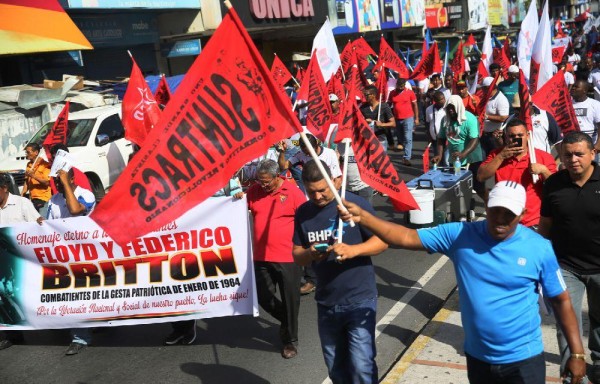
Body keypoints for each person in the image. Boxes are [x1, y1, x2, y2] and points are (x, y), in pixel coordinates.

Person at [339, 181, 587, 384]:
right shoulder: (459, 235)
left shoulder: (539, 248)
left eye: (509, 214)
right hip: (478, 359)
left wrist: (576, 353)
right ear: (487, 206)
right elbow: (405, 236)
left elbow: (561, 300)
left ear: (522, 214)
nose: (500, 219)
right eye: (495, 210)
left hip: (524, 361)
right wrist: (365, 218)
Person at [292, 160, 387, 383]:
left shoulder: (354, 204)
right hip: (326, 303)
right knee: (336, 368)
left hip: (359, 299)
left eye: (322, 190)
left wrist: (354, 250)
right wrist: (311, 254)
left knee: (362, 366)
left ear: (335, 181)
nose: (317, 197)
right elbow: (297, 254)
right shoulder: (303, 212)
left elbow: (382, 241)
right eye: (311, 192)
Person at [538, 131, 600, 383]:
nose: (573, 159)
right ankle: (572, 375)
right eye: (567, 155)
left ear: (593, 154)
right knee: (567, 324)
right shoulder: (553, 184)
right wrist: (541, 261)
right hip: (565, 267)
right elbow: (545, 225)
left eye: (579, 154)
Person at [247, 160, 306, 359]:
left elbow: (306, 219)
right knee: (264, 297)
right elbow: (237, 210)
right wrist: (237, 197)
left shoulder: (293, 192)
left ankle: (290, 340)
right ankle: (287, 321)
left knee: (290, 299)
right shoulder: (254, 191)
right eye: (259, 181)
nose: (262, 186)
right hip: (261, 256)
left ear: (277, 177)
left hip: (288, 257)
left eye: (266, 182)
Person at [46, 168, 96, 355]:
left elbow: (75, 211)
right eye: (56, 181)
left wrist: (66, 182)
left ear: (72, 178)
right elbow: (48, 225)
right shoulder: (54, 200)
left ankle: (86, 333)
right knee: (72, 296)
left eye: (61, 180)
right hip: (63, 256)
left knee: (86, 294)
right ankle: (80, 334)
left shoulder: (86, 195)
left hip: (86, 254)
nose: (57, 184)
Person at [477, 119, 556, 228]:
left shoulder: (542, 157)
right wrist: (501, 156)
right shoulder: (497, 155)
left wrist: (544, 170)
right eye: (512, 136)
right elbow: (481, 176)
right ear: (505, 137)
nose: (516, 139)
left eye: (520, 135)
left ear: (528, 136)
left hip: (532, 222)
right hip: (504, 221)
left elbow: (556, 186)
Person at [0, 173, 42, 350]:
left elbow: (38, 226)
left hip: (26, 260)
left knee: (37, 293)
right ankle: (12, 333)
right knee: (3, 295)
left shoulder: (22, 203)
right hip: (4, 261)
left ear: (4, 188)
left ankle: (57, 323)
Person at [432, 95, 485, 200]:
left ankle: (489, 205)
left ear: (459, 107)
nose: (451, 110)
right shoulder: (445, 120)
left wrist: (463, 154)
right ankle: (464, 208)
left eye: (453, 108)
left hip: (472, 158)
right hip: (455, 158)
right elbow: (441, 139)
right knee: (457, 185)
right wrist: (439, 155)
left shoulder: (470, 119)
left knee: (478, 187)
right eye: (448, 108)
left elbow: (475, 139)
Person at [387, 78, 419, 165]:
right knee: (400, 136)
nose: (400, 87)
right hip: (397, 118)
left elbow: (415, 105)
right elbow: (389, 105)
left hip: (408, 118)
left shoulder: (409, 92)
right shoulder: (392, 93)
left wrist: (416, 118)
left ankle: (406, 157)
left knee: (408, 137)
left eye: (402, 86)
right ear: (396, 84)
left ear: (404, 85)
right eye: (399, 85)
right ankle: (402, 145)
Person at [360, 85, 396, 153]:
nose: (365, 96)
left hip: (380, 137)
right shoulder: (363, 108)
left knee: (381, 159)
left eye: (366, 95)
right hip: (368, 137)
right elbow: (358, 121)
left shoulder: (384, 106)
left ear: (373, 95)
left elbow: (393, 123)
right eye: (364, 94)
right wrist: (364, 121)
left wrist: (382, 124)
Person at [481, 76, 510, 156]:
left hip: (495, 137)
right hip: (485, 135)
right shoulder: (486, 98)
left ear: (489, 88)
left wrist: (487, 117)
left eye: (483, 88)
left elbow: (504, 117)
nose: (482, 90)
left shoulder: (501, 99)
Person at [571, 79, 600, 154]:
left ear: (584, 90)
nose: (573, 88)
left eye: (576, 87)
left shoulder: (595, 104)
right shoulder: (567, 104)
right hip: (572, 145)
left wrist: (598, 144)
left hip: (590, 146)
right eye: (573, 86)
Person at [21, 143, 50, 215]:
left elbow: (47, 182)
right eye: (26, 152)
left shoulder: (45, 165)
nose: (26, 154)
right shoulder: (29, 165)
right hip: (32, 199)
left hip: (43, 199)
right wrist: (22, 195)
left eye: (28, 152)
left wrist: (33, 176)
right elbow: (27, 182)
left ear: (36, 152)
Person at [424, 90, 447, 165]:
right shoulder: (429, 109)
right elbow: (427, 123)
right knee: (437, 159)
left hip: (446, 139)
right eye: (441, 99)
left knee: (446, 160)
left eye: (443, 98)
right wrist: (429, 136)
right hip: (435, 139)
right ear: (435, 101)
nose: (443, 101)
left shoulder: (447, 109)